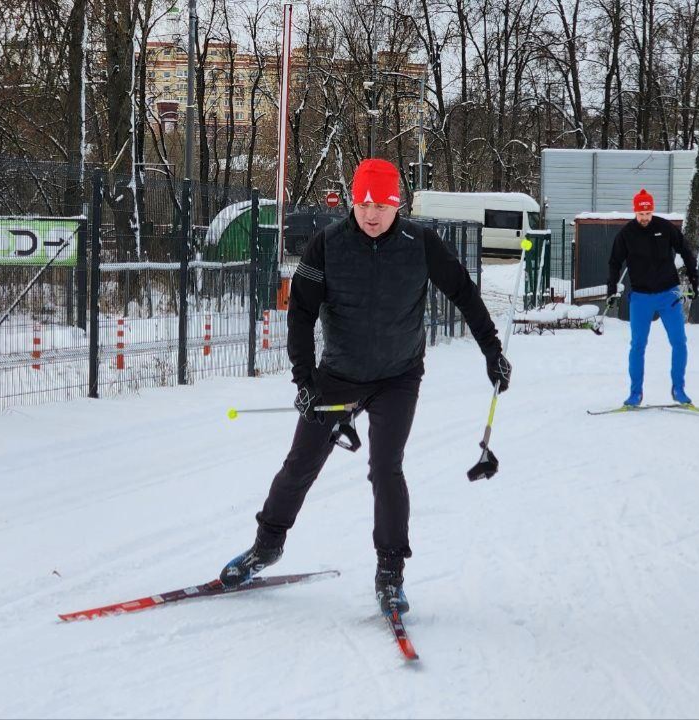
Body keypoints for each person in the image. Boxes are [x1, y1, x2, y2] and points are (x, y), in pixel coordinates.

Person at [219, 158, 511, 615]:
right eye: (364, 203)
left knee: (386, 468)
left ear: (398, 204)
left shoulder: (422, 244)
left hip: (399, 376)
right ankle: (267, 545)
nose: (372, 214)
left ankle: (390, 572)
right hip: (339, 376)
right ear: (354, 201)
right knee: (301, 463)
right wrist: (304, 380)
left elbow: (464, 293)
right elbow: (300, 313)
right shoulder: (326, 246)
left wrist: (492, 351)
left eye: (383, 204)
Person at [606, 188, 699, 407]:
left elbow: (685, 250)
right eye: (641, 214)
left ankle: (679, 389)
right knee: (638, 345)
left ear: (652, 211)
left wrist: (694, 279)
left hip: (669, 294)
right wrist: (611, 289)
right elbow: (614, 262)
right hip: (641, 297)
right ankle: (635, 393)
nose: (645, 218)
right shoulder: (626, 234)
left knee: (679, 342)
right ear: (635, 211)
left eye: (648, 214)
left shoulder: (665, 228)